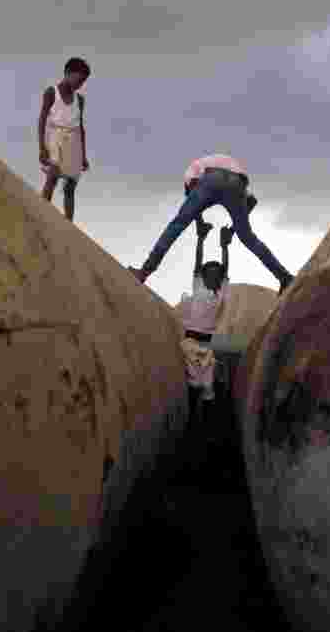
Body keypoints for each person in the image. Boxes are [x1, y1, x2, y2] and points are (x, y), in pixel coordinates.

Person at [129, 154, 294, 294]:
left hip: (211, 178)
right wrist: (233, 231)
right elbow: (251, 201)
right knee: (249, 238)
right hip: (238, 182)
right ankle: (284, 277)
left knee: (177, 224)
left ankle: (145, 272)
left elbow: (192, 200)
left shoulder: (192, 171)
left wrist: (199, 225)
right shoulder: (226, 165)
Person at [179, 220, 234, 434]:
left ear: (219, 279)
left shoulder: (221, 294)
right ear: (203, 276)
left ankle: (207, 425)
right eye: (207, 273)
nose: (211, 276)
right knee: (195, 384)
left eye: (215, 274)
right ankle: (193, 419)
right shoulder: (198, 286)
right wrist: (200, 239)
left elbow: (226, 269)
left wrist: (225, 248)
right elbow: (197, 263)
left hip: (205, 344)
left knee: (209, 387)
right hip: (192, 342)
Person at [38, 57, 90, 221]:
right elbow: (41, 120)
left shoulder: (80, 100)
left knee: (70, 186)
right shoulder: (51, 92)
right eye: (78, 79)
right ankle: (40, 214)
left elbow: (81, 127)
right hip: (54, 137)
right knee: (52, 178)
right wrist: (41, 147)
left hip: (73, 141)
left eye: (83, 82)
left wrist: (83, 155)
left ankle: (68, 224)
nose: (80, 84)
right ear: (68, 73)